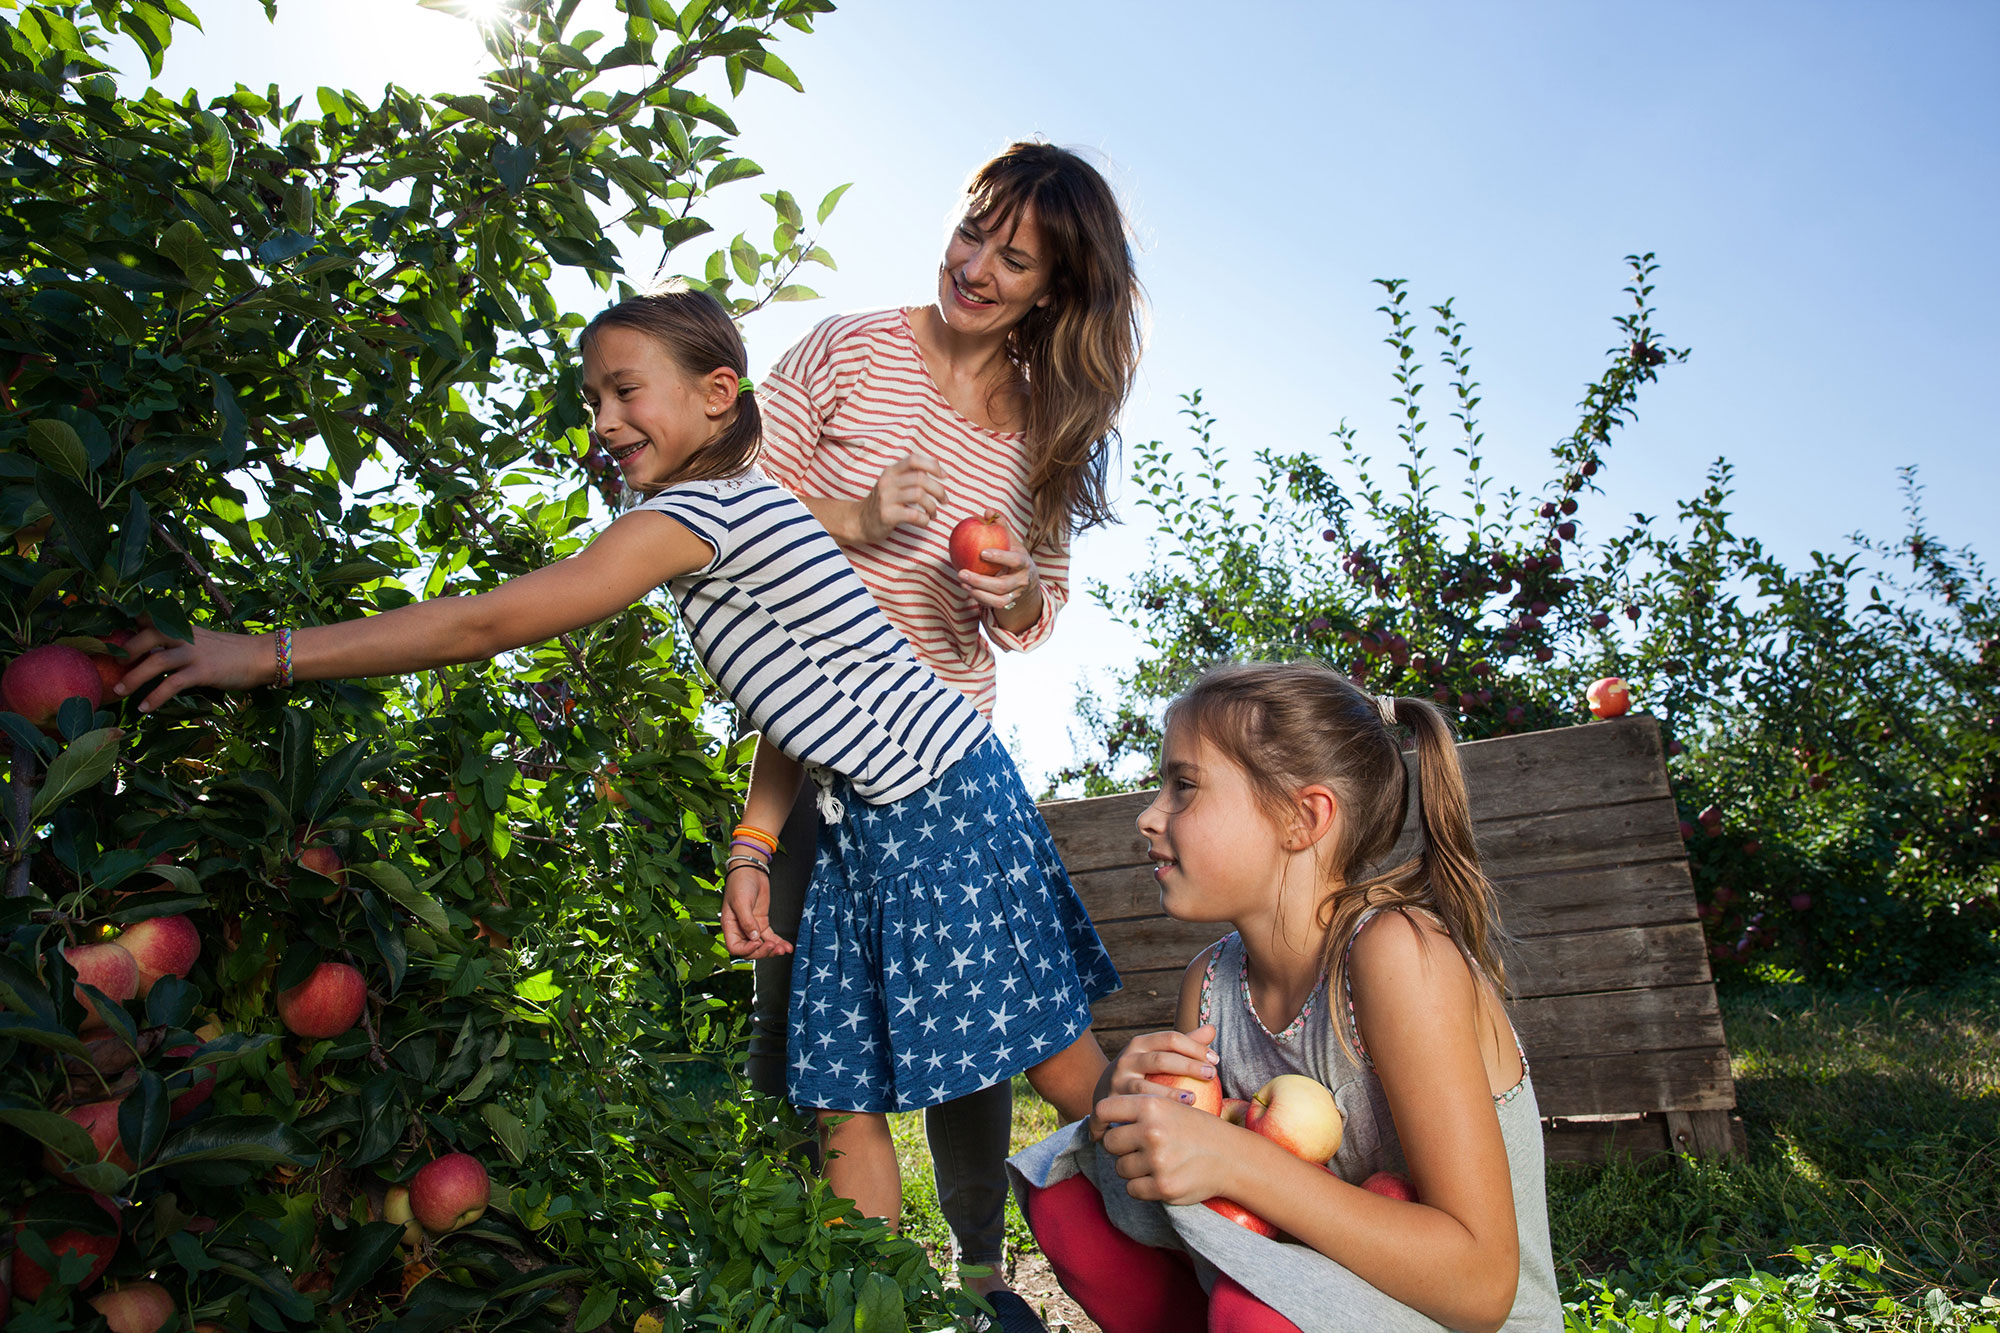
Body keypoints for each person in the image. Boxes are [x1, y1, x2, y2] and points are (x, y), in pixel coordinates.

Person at [107, 284, 1123, 1287]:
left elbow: (486, 622)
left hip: (934, 797)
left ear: (719, 393)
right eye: (592, 400)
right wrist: (751, 846)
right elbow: (800, 697)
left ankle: (1212, 1229)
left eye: (625, 391)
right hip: (872, 807)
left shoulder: (697, 516)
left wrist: (263, 654)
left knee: (1051, 1059)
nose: (603, 422)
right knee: (837, 1087)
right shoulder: (753, 509)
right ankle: (878, 1307)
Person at [750, 140, 1143, 1326]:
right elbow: (720, 512)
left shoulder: (1043, 427)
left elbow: (1037, 616)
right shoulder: (845, 351)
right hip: (813, 744)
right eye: (972, 231)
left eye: (1011, 258)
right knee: (817, 1047)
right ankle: (858, 1286)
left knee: (974, 1027)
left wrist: (1015, 589)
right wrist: (853, 515)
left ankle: (985, 1277)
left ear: (1051, 288)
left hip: (941, 752)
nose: (973, 265)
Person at [1007, 662, 1563, 1333]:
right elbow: (1221, 1230)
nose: (1148, 815)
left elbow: (1481, 1285)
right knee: (1070, 1196)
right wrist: (1127, 1115)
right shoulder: (1211, 984)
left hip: (1458, 1317)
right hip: (1297, 1294)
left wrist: (1240, 1160)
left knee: (1256, 1311)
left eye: (1184, 786)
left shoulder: (1397, 954)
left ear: (1304, 817)